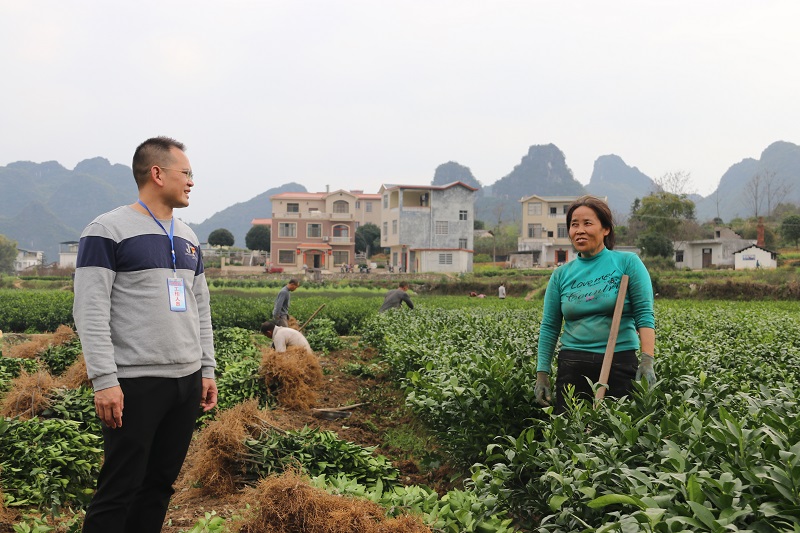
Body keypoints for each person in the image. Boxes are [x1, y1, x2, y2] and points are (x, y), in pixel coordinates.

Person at [73, 136, 218, 532]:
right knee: (120, 487)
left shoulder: (188, 237)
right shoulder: (107, 229)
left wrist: (207, 369)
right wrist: (104, 380)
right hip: (135, 383)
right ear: (157, 173)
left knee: (158, 486)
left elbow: (200, 308)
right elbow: (89, 310)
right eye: (185, 173)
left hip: (185, 382)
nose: (191, 182)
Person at [534, 195, 655, 414]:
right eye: (574, 225)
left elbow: (644, 315)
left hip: (619, 362)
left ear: (605, 229)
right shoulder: (561, 275)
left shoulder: (627, 263)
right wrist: (542, 372)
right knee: (570, 437)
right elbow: (550, 326)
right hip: (572, 364)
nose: (579, 230)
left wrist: (647, 359)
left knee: (615, 438)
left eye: (587, 223)